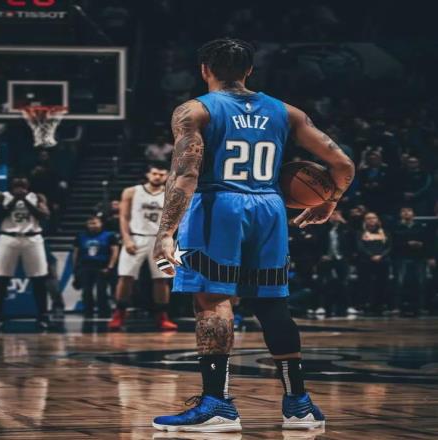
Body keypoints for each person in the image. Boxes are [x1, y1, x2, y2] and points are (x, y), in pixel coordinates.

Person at [152, 38, 354, 432]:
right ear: (249, 70)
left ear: (205, 70)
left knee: (212, 301)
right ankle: (299, 405)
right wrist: (330, 201)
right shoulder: (286, 111)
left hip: (219, 205)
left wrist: (166, 232)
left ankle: (217, 405)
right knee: (272, 303)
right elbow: (342, 164)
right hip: (269, 207)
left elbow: (186, 173)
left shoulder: (194, 110)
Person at [108, 163, 178, 331]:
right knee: (125, 277)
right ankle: (119, 314)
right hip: (135, 237)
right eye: (154, 173)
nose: (158, 177)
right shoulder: (131, 192)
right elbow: (124, 217)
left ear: (167, 176)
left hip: (159, 240)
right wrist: (126, 239)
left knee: (161, 279)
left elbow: (175, 220)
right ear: (148, 174)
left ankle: (162, 316)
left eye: (162, 174)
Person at [0, 177, 51, 330]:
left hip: (32, 238)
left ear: (28, 186)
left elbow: (44, 215)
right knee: (2, 278)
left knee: (39, 279)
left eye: (22, 185)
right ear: (11, 186)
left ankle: (43, 315)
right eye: (17, 185)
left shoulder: (37, 197)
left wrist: (26, 201)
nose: (20, 187)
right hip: (8, 237)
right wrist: (14, 201)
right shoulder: (1, 196)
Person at [73, 215, 119, 318]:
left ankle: (104, 312)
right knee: (86, 291)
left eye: (95, 223)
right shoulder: (80, 236)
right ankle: (87, 312)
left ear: (101, 224)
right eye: (90, 223)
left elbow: (115, 252)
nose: (92, 225)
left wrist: (110, 267)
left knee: (101, 291)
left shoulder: (109, 236)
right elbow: (75, 253)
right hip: (85, 266)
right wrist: (75, 268)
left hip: (102, 266)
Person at [391, 206, 432, 315]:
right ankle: (396, 307)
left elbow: (428, 242)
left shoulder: (421, 226)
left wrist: (421, 246)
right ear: (400, 214)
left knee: (421, 282)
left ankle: (421, 307)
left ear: (413, 213)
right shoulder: (396, 227)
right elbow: (392, 243)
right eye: (403, 211)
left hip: (419, 257)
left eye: (409, 211)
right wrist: (407, 244)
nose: (406, 213)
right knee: (399, 282)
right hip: (401, 257)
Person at [356, 212, 392, 315]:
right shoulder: (360, 233)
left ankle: (379, 306)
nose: (371, 220)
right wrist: (371, 255)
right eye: (368, 218)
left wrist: (381, 256)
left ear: (377, 220)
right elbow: (360, 246)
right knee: (366, 284)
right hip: (366, 262)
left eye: (373, 218)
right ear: (365, 221)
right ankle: (365, 306)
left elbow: (389, 246)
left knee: (381, 284)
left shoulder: (385, 232)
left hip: (382, 262)